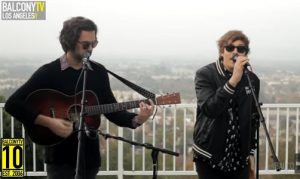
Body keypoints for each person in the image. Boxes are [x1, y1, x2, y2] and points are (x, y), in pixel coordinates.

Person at [5, 16, 154, 179]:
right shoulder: (49, 72)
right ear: (70, 42)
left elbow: (113, 110)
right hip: (59, 160)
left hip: (89, 159)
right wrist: (49, 122)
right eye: (85, 44)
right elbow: (12, 104)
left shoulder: (98, 72)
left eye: (94, 43)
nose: (90, 48)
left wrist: (139, 118)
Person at [192, 30, 260, 179]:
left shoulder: (252, 79)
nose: (235, 52)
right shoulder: (205, 74)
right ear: (222, 52)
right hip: (209, 154)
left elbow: (252, 118)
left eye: (240, 49)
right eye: (230, 48)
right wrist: (234, 80)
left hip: (239, 156)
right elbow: (210, 109)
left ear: (245, 54)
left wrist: (251, 152)